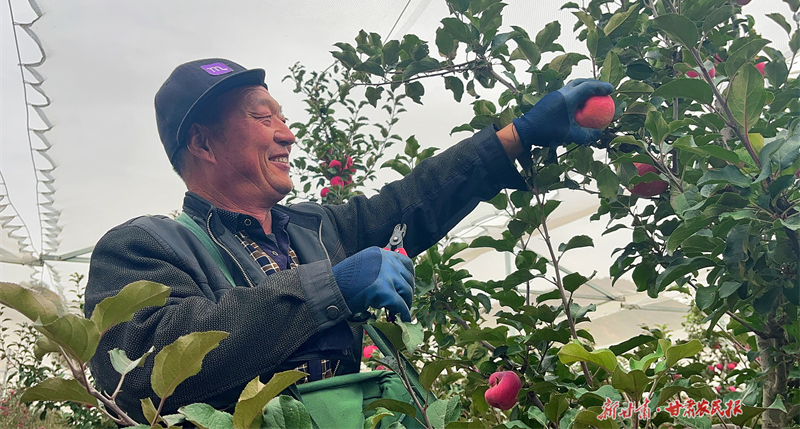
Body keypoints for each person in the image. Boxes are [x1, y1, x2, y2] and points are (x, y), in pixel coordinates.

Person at [84, 58, 612, 421]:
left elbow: (416, 200)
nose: (287, 133)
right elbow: (136, 377)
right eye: (263, 116)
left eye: (283, 116)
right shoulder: (142, 247)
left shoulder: (318, 229)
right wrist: (326, 288)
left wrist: (518, 135)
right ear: (201, 142)